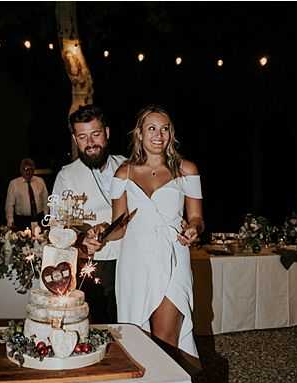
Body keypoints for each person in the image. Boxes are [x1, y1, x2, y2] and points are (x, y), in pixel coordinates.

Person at [86, 105, 203, 357]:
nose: (158, 135)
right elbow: (119, 226)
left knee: (166, 341)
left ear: (171, 134)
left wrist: (193, 228)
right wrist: (101, 237)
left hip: (174, 257)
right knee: (139, 341)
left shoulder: (187, 170)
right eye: (151, 128)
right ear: (139, 133)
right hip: (135, 261)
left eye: (165, 129)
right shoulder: (124, 173)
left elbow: (196, 218)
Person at [52, 104, 126, 324]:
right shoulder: (66, 176)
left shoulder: (128, 166)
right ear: (75, 140)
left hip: (129, 259)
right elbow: (59, 225)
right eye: (82, 137)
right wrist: (82, 239)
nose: (90, 143)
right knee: (98, 327)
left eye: (95, 134)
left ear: (107, 133)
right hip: (92, 266)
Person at [5, 158, 48, 231]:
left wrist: (46, 216)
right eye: (25, 169)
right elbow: (9, 204)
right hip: (22, 221)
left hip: (39, 218)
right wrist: (10, 221)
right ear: (21, 171)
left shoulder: (40, 181)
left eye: (31, 169)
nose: (28, 172)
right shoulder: (14, 184)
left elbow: (45, 200)